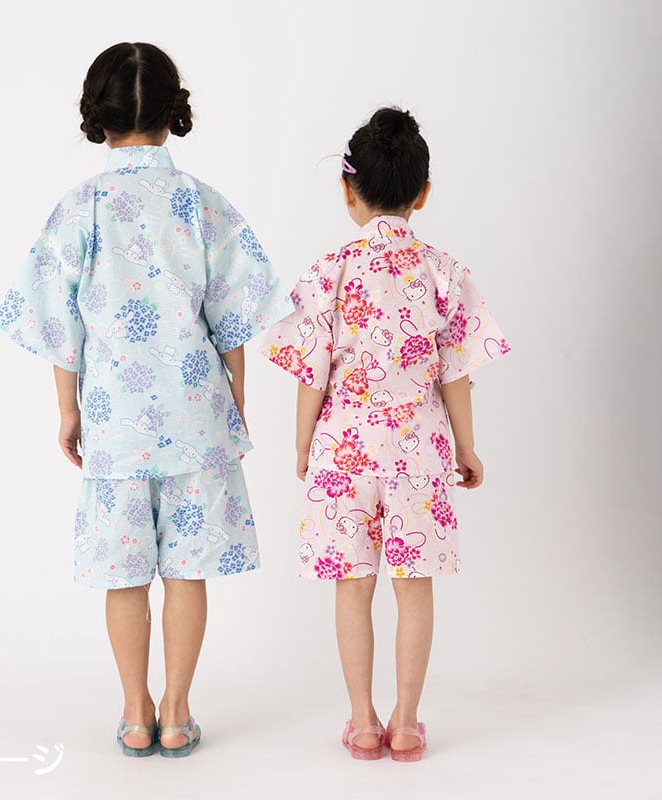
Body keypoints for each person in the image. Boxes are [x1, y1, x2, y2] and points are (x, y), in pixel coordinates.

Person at [0, 42, 292, 758]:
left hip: (114, 418)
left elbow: (59, 324)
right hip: (195, 412)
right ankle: (179, 713)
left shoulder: (79, 208)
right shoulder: (202, 203)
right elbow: (232, 319)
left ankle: (135, 713)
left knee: (123, 570)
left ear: (96, 116)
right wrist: (235, 401)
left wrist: (68, 411)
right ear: (171, 113)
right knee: (186, 568)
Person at [263, 107, 510, 761]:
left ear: (347, 190)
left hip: (344, 452)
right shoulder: (445, 271)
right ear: (422, 193)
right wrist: (466, 447)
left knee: (353, 585)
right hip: (418, 453)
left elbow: (310, 375)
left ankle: (363, 721)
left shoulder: (329, 271)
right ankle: (406, 721)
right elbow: (456, 374)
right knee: (413, 584)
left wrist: (303, 444)